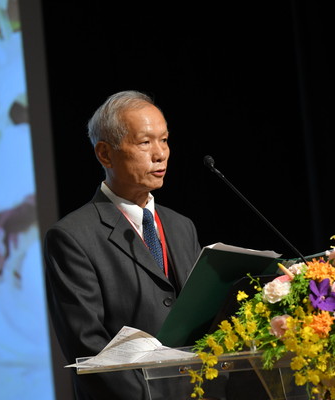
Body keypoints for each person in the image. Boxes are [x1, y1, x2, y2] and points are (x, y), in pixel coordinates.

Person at [43, 90, 208, 399]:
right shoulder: (72, 236)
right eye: (145, 142)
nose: (160, 154)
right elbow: (88, 347)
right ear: (105, 154)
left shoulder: (181, 226)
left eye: (165, 140)